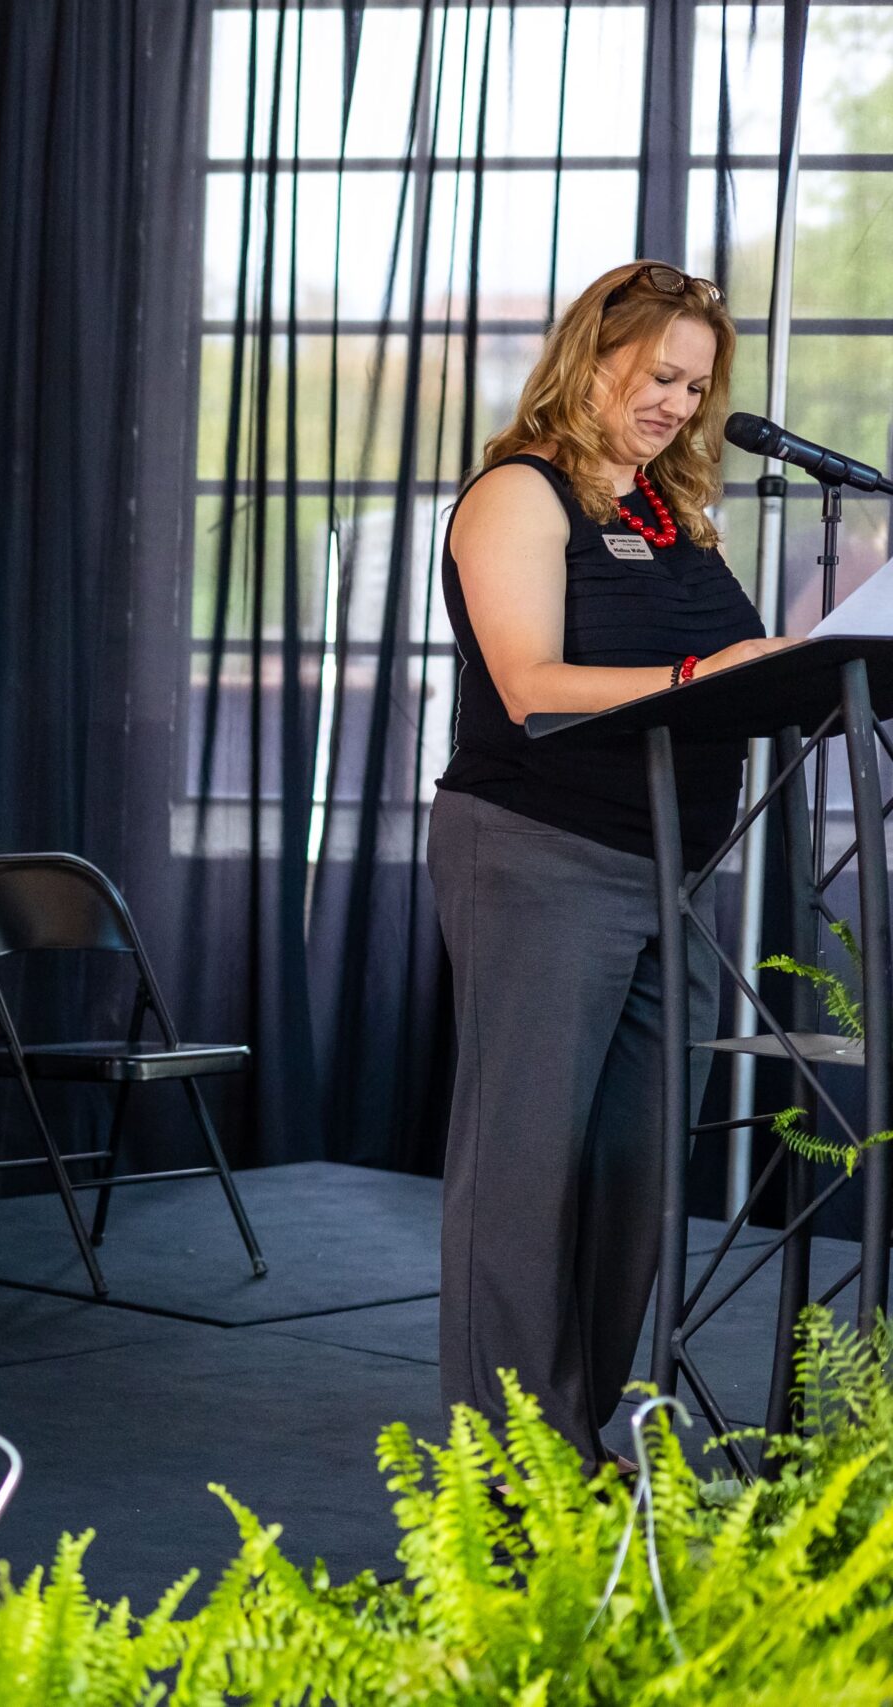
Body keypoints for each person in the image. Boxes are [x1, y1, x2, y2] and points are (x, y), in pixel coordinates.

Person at [431, 259, 795, 1464]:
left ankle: (570, 1436)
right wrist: (702, 675)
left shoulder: (667, 515)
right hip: (537, 854)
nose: (677, 406)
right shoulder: (517, 493)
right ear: (590, 362)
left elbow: (740, 673)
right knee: (526, 1168)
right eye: (658, 377)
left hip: (673, 873)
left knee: (633, 1172)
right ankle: (505, 1464)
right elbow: (529, 686)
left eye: (695, 388)